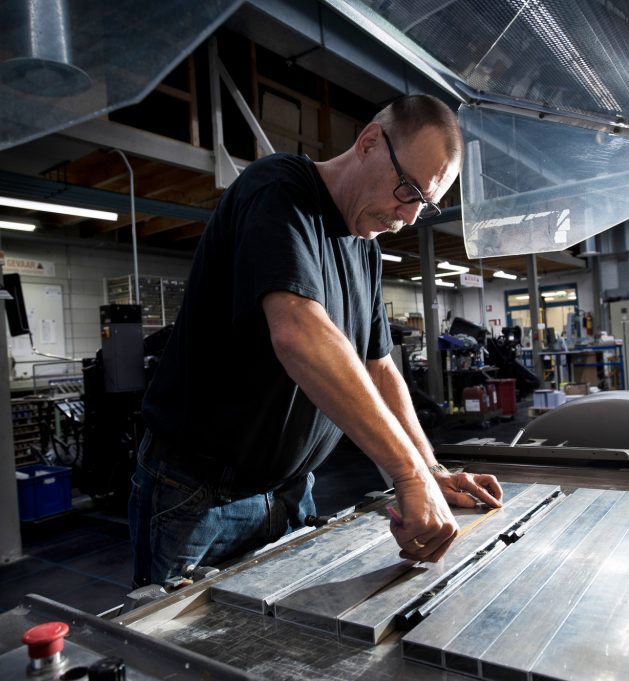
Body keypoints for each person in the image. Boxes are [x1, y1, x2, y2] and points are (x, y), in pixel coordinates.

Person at [130, 94, 504, 587]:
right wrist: (407, 476)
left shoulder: (365, 246)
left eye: (425, 204)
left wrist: (430, 469)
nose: (410, 216)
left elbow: (379, 367)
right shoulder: (278, 190)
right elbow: (299, 330)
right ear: (370, 142)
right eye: (408, 189)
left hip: (290, 491)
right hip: (198, 496)